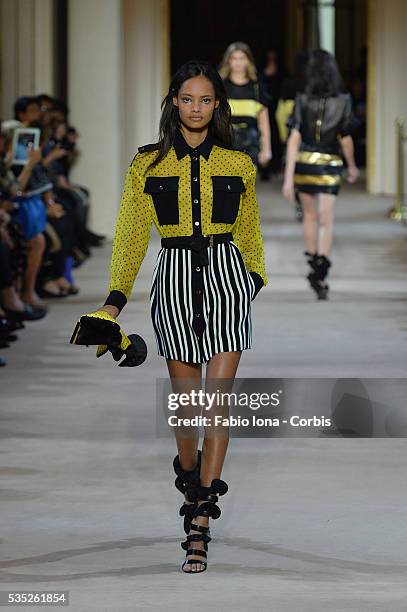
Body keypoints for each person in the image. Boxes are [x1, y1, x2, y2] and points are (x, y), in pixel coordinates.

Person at [82, 59, 268, 573]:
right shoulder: (147, 164)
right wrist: (114, 301)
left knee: (216, 407)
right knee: (187, 410)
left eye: (206, 100)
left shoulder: (238, 164)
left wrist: (250, 281)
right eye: (187, 99)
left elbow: (251, 233)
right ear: (173, 103)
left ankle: (200, 519)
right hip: (176, 282)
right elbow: (130, 235)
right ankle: (191, 479)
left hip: (227, 280)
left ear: (217, 105)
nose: (196, 108)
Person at [282, 49, 359, 300]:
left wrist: (288, 178)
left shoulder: (302, 99)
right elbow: (345, 139)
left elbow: (294, 139)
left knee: (310, 217)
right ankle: (321, 272)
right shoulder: (344, 101)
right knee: (327, 220)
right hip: (329, 164)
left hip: (305, 164)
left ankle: (314, 262)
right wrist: (352, 165)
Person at [218, 42, 272, 169]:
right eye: (234, 58)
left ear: (248, 61)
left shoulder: (257, 88)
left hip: (250, 145)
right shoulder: (219, 87)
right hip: (224, 142)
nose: (238, 62)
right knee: (225, 187)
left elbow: (263, 121)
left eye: (242, 58)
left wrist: (266, 149)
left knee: (246, 187)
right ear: (228, 61)